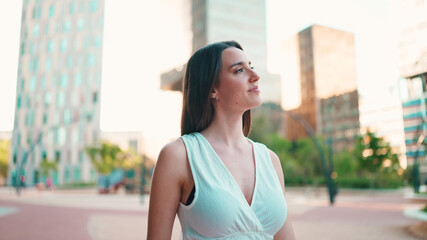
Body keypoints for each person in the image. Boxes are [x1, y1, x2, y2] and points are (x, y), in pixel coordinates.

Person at [147, 41, 295, 239]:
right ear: (212, 89)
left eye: (251, 66)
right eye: (239, 70)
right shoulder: (178, 156)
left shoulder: (270, 160)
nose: (255, 76)